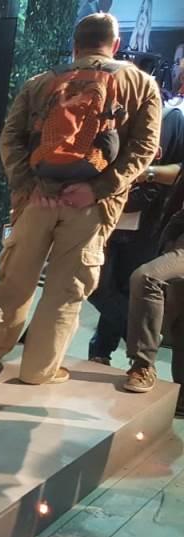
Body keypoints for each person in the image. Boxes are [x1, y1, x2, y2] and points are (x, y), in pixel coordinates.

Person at [0, 13, 162, 385]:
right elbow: (143, 149)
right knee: (65, 291)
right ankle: (39, 371)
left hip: (36, 201)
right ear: (115, 45)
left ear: (75, 45)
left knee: (14, 282)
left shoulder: (40, 82)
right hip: (90, 207)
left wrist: (30, 186)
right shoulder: (141, 84)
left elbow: (10, 138)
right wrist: (97, 189)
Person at [88, 107, 184, 365]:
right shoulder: (111, 112)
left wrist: (147, 173)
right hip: (103, 211)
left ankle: (101, 352)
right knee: (96, 285)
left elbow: (179, 171)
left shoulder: (173, 117)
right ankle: (136, 340)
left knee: (125, 286)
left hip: (145, 220)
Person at [124, 122, 184, 392]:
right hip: (175, 234)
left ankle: (142, 364)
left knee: (146, 277)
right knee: (180, 321)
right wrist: (146, 172)